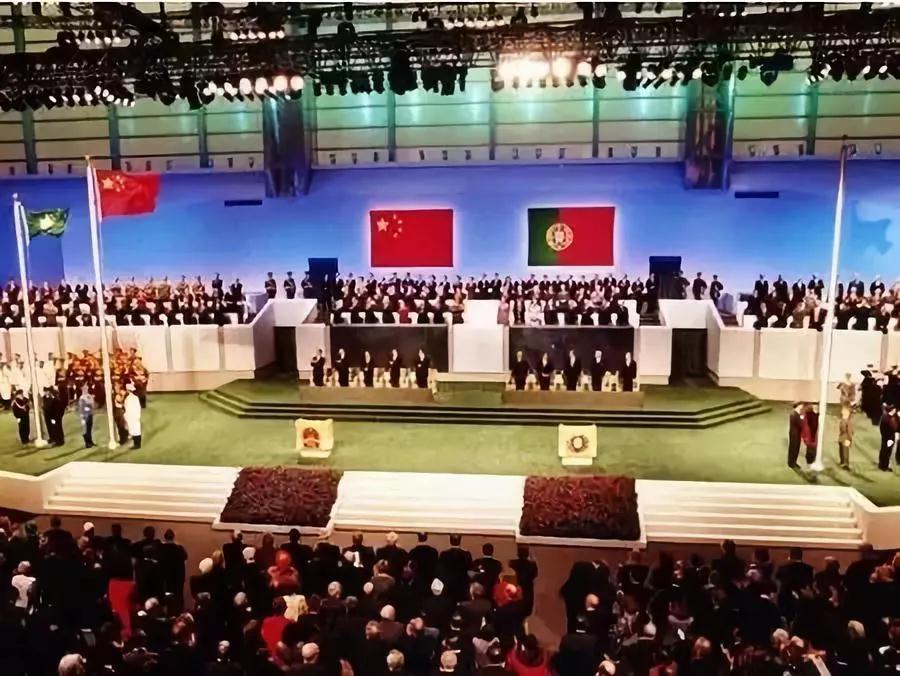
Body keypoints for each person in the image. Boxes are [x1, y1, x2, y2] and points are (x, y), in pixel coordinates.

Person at [879, 404, 898, 471]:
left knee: (884, 449)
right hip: (889, 434)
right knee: (887, 449)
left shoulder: (885, 417)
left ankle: (882, 464)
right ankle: (884, 465)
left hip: (885, 434)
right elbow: (894, 427)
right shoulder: (891, 417)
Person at [124, 382, 142, 449]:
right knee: (136, 430)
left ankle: (137, 445)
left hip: (132, 416)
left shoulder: (129, 398)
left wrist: (126, 415)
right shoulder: (135, 398)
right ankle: (137, 444)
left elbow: (127, 408)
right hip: (134, 416)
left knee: (134, 430)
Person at [76, 384, 94, 448]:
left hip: (90, 414)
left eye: (87, 388)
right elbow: (81, 408)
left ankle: (90, 441)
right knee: (86, 429)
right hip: (85, 415)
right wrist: (82, 417)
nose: (86, 389)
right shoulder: (82, 397)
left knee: (89, 429)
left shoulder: (89, 396)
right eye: (85, 388)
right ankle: (87, 443)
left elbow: (92, 404)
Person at [788, 402, 803, 468]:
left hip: (796, 434)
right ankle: (791, 463)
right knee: (793, 449)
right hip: (794, 435)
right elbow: (800, 424)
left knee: (795, 448)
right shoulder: (794, 414)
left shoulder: (796, 413)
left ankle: (793, 462)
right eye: (801, 406)